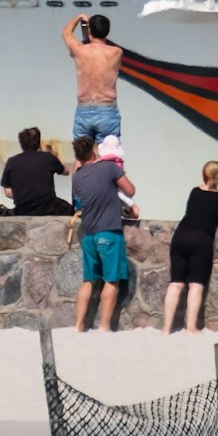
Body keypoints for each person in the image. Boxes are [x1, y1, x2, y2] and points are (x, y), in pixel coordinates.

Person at [71, 136, 136, 333]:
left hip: (89, 234)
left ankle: (79, 325)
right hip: (108, 230)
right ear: (94, 150)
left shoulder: (77, 177)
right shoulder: (109, 168)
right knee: (111, 280)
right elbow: (130, 190)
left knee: (88, 281)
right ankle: (104, 326)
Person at [163, 162, 218, 334]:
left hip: (181, 235)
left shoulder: (194, 191)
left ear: (204, 174)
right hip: (201, 239)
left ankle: (166, 328)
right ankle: (191, 327)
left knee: (175, 284)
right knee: (195, 285)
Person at [64, 13, 123, 144]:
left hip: (84, 108)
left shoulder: (80, 50)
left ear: (90, 30)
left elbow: (66, 33)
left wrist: (79, 17)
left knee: (81, 157)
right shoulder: (116, 53)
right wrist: (90, 33)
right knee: (109, 156)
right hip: (106, 109)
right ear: (107, 32)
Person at [1, 127, 72, 216]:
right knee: (70, 209)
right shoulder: (48, 158)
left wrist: (24, 197)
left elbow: (8, 192)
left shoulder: (12, 161)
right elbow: (65, 172)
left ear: (21, 144)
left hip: (22, 210)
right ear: (38, 143)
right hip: (48, 209)